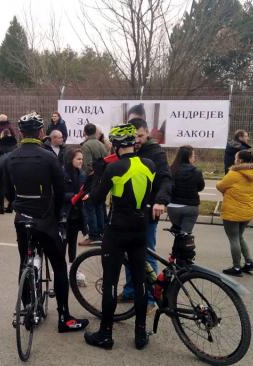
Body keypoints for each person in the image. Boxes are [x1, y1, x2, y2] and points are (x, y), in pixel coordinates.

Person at [3, 112, 89, 333]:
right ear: (42, 133)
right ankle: (64, 318)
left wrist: (17, 204)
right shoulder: (49, 156)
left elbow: (6, 191)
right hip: (46, 220)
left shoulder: (10, 158)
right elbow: (60, 192)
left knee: (24, 263)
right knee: (59, 266)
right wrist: (59, 216)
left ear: (21, 133)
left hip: (22, 219)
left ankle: (28, 308)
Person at [84, 124, 155, 351]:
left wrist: (97, 175)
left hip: (117, 231)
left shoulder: (114, 168)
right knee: (140, 281)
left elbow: (95, 198)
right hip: (140, 229)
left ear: (115, 145)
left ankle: (105, 335)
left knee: (111, 283)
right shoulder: (149, 165)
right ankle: (141, 334)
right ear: (133, 143)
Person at [120, 118, 172, 312]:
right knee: (128, 253)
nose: (137, 140)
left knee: (146, 255)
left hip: (147, 211)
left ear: (147, 132)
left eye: (140, 136)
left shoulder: (156, 153)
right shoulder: (127, 150)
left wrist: (161, 201)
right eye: (134, 137)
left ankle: (151, 298)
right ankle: (130, 291)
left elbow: (166, 179)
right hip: (127, 213)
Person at [216, 150, 253, 276]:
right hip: (247, 211)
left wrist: (219, 183)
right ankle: (249, 263)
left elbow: (220, 186)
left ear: (240, 160)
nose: (234, 160)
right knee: (240, 236)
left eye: (236, 158)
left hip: (232, 212)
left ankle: (236, 267)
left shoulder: (234, 173)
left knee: (234, 238)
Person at [80, 123, 108, 246]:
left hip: (92, 180)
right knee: (99, 207)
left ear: (85, 132)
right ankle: (101, 233)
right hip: (103, 178)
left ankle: (93, 235)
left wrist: (85, 177)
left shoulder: (86, 145)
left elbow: (87, 165)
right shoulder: (101, 145)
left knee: (89, 206)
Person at [61, 148, 86, 281]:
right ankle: (61, 269)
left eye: (82, 159)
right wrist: (72, 196)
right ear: (71, 160)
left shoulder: (82, 173)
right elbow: (58, 194)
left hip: (77, 214)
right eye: (78, 159)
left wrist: (86, 195)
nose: (81, 161)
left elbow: (84, 190)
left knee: (73, 242)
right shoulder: (62, 172)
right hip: (65, 214)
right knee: (63, 242)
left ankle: (73, 267)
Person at [167, 145, 205, 233]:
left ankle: (177, 246)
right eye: (193, 156)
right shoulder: (196, 171)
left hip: (173, 206)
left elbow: (167, 187)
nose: (194, 158)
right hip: (190, 207)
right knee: (185, 235)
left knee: (177, 233)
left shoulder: (171, 170)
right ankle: (181, 246)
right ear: (189, 157)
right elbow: (200, 187)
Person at [0, 129, 17, 214]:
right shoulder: (15, 144)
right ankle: (11, 206)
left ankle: (1, 208)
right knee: (12, 187)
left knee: (2, 187)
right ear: (10, 134)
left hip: (1, 168)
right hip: (13, 167)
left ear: (2, 135)